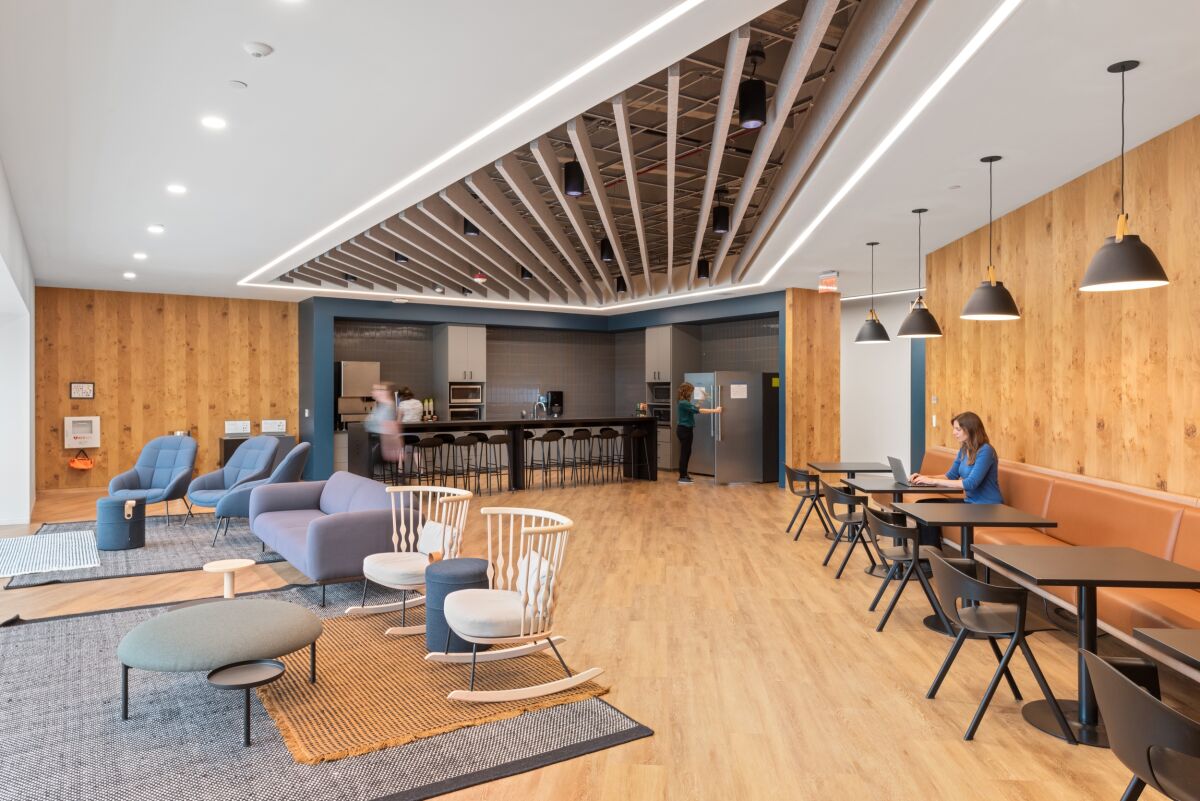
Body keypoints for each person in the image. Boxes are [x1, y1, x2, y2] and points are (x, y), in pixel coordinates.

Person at [907, 411, 1002, 547]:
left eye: (958, 429)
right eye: (954, 429)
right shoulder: (964, 449)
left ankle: (928, 562)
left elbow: (970, 483)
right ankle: (927, 559)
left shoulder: (986, 451)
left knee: (927, 508)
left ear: (971, 429)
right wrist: (924, 477)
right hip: (970, 503)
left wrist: (932, 481)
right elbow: (950, 476)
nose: (954, 432)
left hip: (987, 507)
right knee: (923, 506)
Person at [676, 382, 722, 484]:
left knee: (687, 452)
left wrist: (702, 398)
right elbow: (699, 410)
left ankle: (684, 474)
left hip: (686, 429)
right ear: (686, 391)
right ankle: (682, 476)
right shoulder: (683, 402)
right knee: (685, 453)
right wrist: (715, 410)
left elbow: (695, 408)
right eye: (690, 391)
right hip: (684, 430)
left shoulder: (684, 402)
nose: (691, 393)